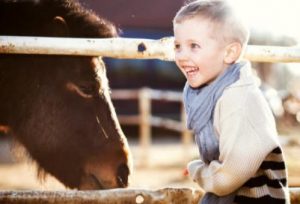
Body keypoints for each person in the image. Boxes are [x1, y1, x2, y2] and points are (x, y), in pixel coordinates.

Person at [173, 0, 289, 203]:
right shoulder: (218, 93)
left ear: (229, 52)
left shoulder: (238, 101)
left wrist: (198, 170)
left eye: (194, 46)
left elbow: (228, 178)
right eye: (178, 46)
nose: (182, 56)